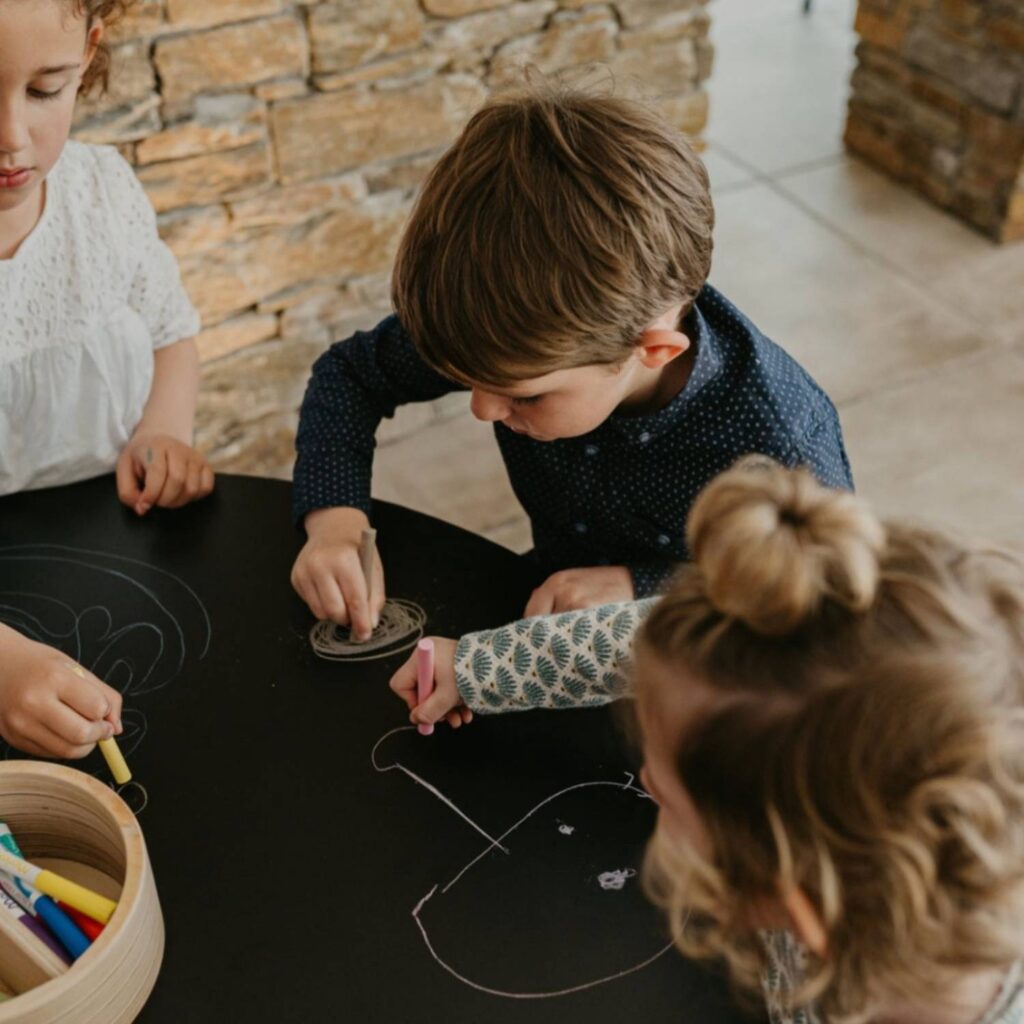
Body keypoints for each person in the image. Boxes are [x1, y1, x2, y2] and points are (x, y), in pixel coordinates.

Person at [393, 459, 1024, 1022]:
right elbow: (638, 641)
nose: (643, 780)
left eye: (665, 794)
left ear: (776, 889)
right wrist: (479, 667)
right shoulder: (798, 672)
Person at [290, 81, 851, 643]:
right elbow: (351, 374)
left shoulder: (784, 442)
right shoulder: (503, 329)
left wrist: (646, 586)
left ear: (653, 351)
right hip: (552, 613)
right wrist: (335, 520)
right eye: (468, 382)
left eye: (524, 396)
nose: (482, 410)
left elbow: (820, 593)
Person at [0, 0, 212, 757]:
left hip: (116, 542)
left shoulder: (103, 194)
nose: (11, 139)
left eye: (45, 90)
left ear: (87, 55)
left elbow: (171, 333)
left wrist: (165, 428)